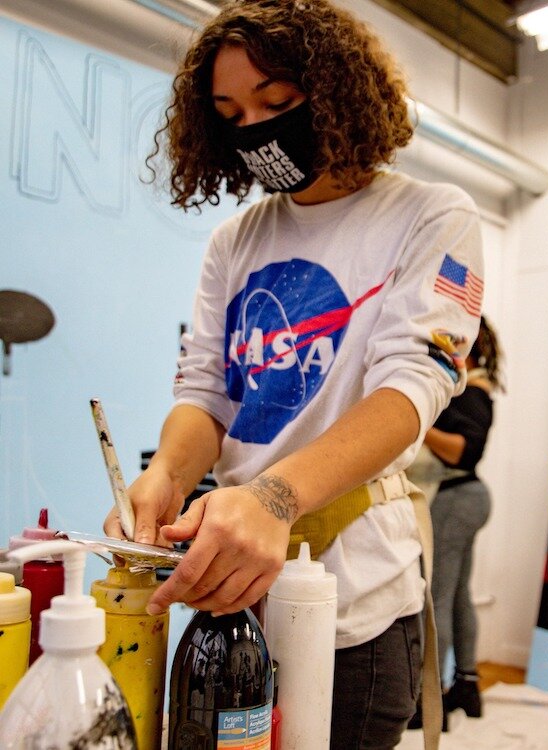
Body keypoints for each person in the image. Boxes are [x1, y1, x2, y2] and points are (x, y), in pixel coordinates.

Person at [103, 1, 484, 748]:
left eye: (277, 104)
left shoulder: (433, 216)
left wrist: (274, 497)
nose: (255, 129)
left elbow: (413, 387)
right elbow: (207, 391)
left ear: (338, 92)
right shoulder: (234, 240)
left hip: (354, 605)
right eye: (231, 112)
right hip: (236, 596)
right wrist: (169, 479)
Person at [419, 315, 502, 728]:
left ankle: (429, 701)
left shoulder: (471, 390)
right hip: (468, 497)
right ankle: (467, 686)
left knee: (437, 598)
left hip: (457, 497)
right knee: (456, 596)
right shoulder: (477, 387)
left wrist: (415, 421)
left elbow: (464, 451)